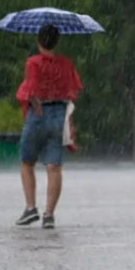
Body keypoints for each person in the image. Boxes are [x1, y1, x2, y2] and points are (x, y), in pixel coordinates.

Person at [14, 24, 83, 229]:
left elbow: (31, 89)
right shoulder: (66, 64)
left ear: (38, 41)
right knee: (54, 167)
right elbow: (74, 89)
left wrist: (36, 104)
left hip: (39, 113)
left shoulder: (33, 63)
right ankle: (49, 214)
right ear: (57, 41)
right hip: (59, 115)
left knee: (27, 162)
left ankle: (30, 207)